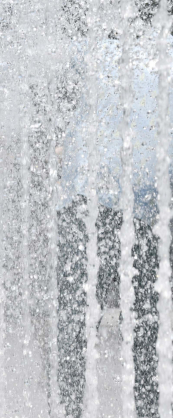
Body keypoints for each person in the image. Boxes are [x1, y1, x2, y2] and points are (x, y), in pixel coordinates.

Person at [56, 30, 173, 417]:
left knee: (75, 318)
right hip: (151, 210)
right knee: (148, 324)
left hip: (86, 202)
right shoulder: (164, 50)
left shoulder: (82, 48)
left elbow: (57, 114)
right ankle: (148, 410)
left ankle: (71, 408)